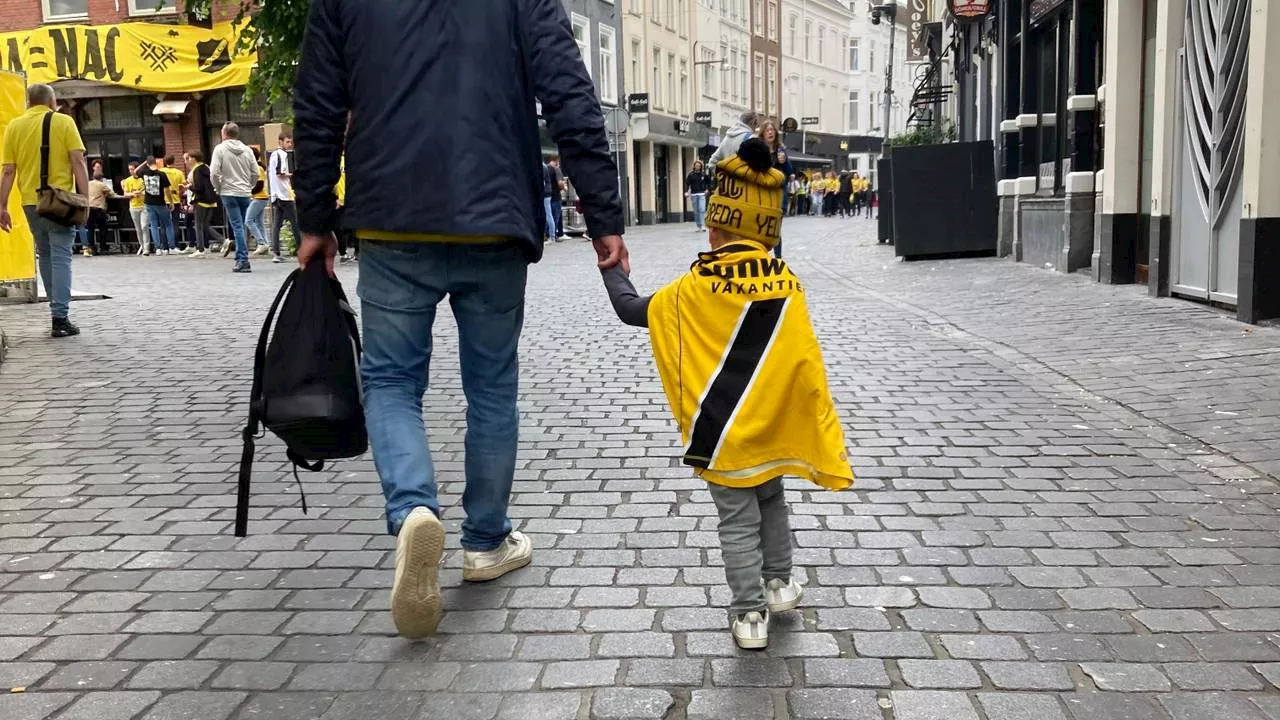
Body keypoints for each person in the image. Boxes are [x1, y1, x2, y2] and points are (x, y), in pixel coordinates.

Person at [292, 0, 628, 640]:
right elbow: (569, 95)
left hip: (392, 215)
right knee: (493, 386)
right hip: (495, 217)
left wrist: (314, 218)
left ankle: (415, 508)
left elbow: (317, 105)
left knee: (391, 380)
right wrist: (603, 214)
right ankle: (485, 541)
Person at [598, 138, 854, 649]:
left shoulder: (692, 288)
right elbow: (802, 361)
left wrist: (613, 271)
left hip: (723, 437)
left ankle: (748, 615)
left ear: (714, 229)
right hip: (775, 430)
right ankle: (780, 585)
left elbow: (632, 311)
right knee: (774, 501)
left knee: (737, 521)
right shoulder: (787, 282)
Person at [0, 83, 88, 338]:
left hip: (30, 202)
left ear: (28, 102)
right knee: (61, 255)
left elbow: (8, 170)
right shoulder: (63, 122)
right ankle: (60, 318)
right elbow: (78, 160)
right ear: (52, 101)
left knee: (46, 255)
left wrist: (2, 205)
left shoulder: (14, 127)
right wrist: (85, 198)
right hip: (59, 200)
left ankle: (56, 312)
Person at [209, 121, 259, 272]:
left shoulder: (220, 149)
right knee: (243, 225)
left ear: (224, 134)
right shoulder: (247, 150)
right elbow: (255, 172)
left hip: (228, 192)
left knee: (237, 225)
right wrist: (250, 185)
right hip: (244, 192)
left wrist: (218, 187)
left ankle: (243, 260)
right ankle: (241, 256)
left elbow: (214, 173)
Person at [757, 119, 791, 258]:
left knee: (776, 228)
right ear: (763, 134)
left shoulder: (781, 150)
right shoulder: (759, 150)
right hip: (763, 193)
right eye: (767, 130)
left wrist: (784, 162)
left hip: (778, 193)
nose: (770, 132)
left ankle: (778, 258)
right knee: (761, 227)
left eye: (772, 130)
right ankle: (762, 255)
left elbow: (789, 172)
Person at [183, 151, 224, 258]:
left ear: (194, 158)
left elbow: (199, 188)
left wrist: (189, 187)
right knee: (205, 224)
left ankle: (200, 249)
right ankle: (224, 241)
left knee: (198, 225)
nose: (188, 160)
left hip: (201, 200)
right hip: (211, 199)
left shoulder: (197, 170)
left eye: (189, 158)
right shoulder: (206, 168)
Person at [268, 131, 299, 263]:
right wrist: (292, 175)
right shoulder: (282, 154)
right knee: (295, 222)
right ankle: (301, 250)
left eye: (290, 142)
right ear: (280, 141)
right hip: (284, 194)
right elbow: (280, 173)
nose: (289, 144)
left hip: (276, 194)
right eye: (287, 141)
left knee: (277, 224)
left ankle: (276, 252)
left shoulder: (273, 155)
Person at [138, 157, 176, 254]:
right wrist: (171, 202)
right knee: (168, 224)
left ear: (147, 163)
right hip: (160, 202)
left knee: (154, 225)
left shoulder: (144, 173)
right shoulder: (162, 174)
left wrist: (144, 163)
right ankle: (171, 247)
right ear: (156, 163)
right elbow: (167, 190)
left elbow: (135, 171)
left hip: (148, 203)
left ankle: (158, 248)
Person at [86, 164, 117, 255]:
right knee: (103, 229)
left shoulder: (88, 183)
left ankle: (92, 248)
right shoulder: (102, 185)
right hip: (99, 209)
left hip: (89, 208)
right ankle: (103, 247)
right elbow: (112, 194)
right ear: (101, 178)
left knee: (90, 229)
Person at [246, 147, 270, 258]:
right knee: (259, 223)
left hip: (259, 197)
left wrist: (248, 191)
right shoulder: (257, 167)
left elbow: (259, 185)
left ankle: (261, 243)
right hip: (261, 197)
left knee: (248, 220)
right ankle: (265, 244)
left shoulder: (257, 168)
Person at [160, 156, 188, 251]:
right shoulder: (179, 172)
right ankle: (175, 245)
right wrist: (179, 193)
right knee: (175, 223)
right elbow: (184, 186)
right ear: (174, 161)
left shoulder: (160, 171)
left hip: (163, 200)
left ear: (164, 161)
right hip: (175, 200)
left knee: (163, 224)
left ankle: (165, 247)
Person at [122, 161, 149, 254]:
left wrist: (141, 193)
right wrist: (133, 194)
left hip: (144, 205)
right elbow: (125, 194)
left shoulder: (143, 179)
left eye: (132, 169)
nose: (131, 171)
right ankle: (141, 244)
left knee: (144, 226)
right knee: (138, 228)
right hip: (133, 206)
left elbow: (148, 191)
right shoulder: (128, 180)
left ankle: (146, 248)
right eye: (129, 169)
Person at [685, 159, 711, 232]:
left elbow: (709, 182)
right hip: (694, 195)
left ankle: (703, 226)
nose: (697, 167)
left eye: (699, 166)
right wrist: (686, 192)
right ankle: (699, 226)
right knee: (696, 211)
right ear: (694, 166)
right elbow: (687, 184)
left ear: (701, 167)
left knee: (702, 209)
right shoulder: (691, 175)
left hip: (702, 194)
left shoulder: (703, 174)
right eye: (696, 166)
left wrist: (707, 189)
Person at [548, 156, 566, 240]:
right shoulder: (556, 169)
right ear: (557, 160)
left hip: (548, 196)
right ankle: (554, 234)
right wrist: (565, 188)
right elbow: (560, 183)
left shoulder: (545, 168)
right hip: (556, 196)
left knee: (550, 215)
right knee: (556, 216)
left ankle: (551, 234)